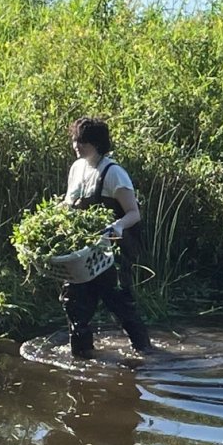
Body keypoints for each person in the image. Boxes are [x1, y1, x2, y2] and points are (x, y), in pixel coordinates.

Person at [60, 117, 151, 357]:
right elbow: (70, 204)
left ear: (98, 144)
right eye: (75, 140)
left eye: (83, 141)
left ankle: (146, 355)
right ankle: (83, 357)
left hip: (111, 253)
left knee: (120, 304)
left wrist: (115, 228)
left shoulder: (113, 173)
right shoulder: (77, 168)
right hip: (82, 253)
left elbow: (133, 213)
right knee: (74, 304)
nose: (77, 145)